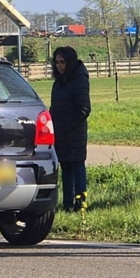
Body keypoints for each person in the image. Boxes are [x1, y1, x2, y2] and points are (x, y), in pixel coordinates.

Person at [50, 46, 91, 212]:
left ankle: (80, 203)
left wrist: (68, 126)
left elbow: (84, 109)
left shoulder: (79, 80)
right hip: (60, 133)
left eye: (63, 62)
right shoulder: (59, 82)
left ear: (70, 62)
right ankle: (67, 204)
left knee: (77, 168)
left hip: (74, 133)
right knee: (65, 168)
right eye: (57, 62)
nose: (59, 66)